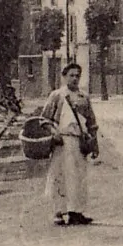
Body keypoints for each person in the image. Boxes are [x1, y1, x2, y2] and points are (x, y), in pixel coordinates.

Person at [40, 60, 99, 225]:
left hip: (78, 142)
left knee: (78, 177)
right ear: (64, 76)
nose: (74, 79)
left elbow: (91, 123)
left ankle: (76, 212)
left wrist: (94, 145)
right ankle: (58, 212)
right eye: (71, 75)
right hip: (62, 142)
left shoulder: (83, 98)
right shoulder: (57, 96)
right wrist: (54, 133)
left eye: (77, 76)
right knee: (59, 176)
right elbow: (44, 119)